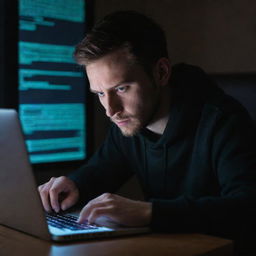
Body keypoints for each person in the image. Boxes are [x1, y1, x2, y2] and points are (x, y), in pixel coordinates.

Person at [38, 10, 256, 250]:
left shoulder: (224, 121)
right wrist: (72, 186)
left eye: (121, 88)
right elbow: (100, 170)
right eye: (100, 93)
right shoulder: (130, 122)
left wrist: (150, 212)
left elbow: (245, 208)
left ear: (161, 72)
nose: (111, 110)